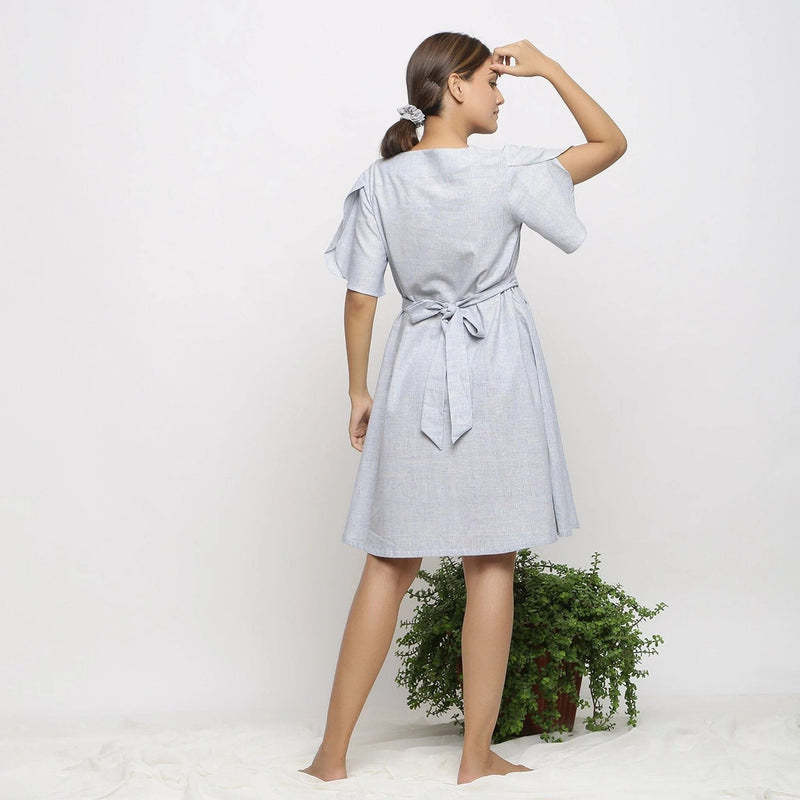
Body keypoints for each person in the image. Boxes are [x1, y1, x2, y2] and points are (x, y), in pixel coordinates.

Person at [302, 32, 627, 785]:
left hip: (416, 362)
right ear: (453, 86)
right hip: (499, 367)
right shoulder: (509, 172)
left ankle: (331, 755)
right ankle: (475, 758)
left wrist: (358, 391)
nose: (502, 93)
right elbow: (609, 142)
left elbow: (359, 297)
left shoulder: (381, 182)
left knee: (389, 560)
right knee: (492, 561)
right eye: (492, 80)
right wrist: (549, 68)